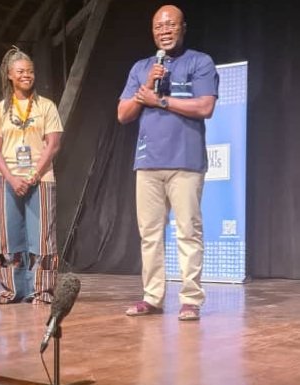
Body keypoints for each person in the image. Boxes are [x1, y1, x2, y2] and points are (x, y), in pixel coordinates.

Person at [118, 5, 219, 320]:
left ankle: (190, 299)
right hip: (147, 162)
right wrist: (146, 88)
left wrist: (160, 100)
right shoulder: (142, 68)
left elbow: (205, 107)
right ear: (152, 31)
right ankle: (153, 297)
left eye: (170, 24)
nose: (164, 30)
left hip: (185, 162)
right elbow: (123, 115)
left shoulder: (199, 62)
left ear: (182, 27)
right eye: (159, 26)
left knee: (188, 231)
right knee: (150, 234)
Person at [0, 46, 63, 305]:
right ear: (9, 75)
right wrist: (11, 177)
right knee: (9, 237)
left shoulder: (46, 106)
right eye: (21, 71)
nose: (27, 75)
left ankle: (41, 291)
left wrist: (32, 175)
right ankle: (12, 289)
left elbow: (53, 144)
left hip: (40, 178)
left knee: (42, 237)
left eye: (30, 71)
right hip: (7, 178)